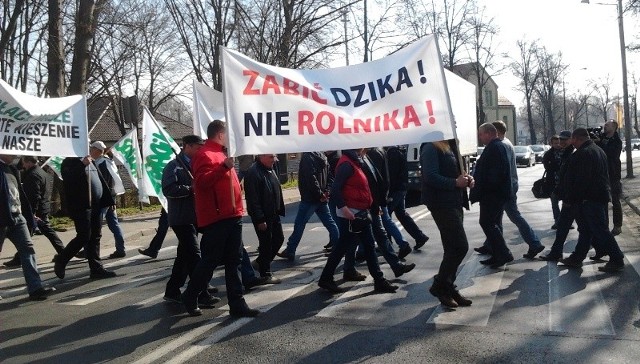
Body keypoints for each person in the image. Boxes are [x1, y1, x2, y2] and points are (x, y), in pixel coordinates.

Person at [180, 120, 258, 317]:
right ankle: (191, 294)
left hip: (232, 214)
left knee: (234, 261)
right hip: (217, 217)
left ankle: (237, 302)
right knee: (210, 260)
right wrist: (223, 167)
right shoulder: (204, 154)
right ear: (221, 134)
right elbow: (202, 183)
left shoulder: (221, 153)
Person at [317, 148, 398, 294]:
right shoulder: (347, 164)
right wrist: (344, 208)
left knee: (366, 246)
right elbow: (336, 189)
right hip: (351, 215)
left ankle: (378, 280)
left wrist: (373, 205)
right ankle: (326, 278)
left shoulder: (355, 162)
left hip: (359, 213)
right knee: (346, 247)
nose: (364, 148)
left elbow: (364, 188)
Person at [161, 135, 220, 308]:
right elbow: (168, 189)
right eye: (198, 147)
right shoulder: (174, 166)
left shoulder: (194, 164)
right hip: (181, 218)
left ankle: (172, 290)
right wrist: (190, 189)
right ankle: (201, 292)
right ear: (187, 146)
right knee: (195, 255)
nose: (201, 150)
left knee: (184, 257)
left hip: (195, 217)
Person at [474, 121, 544, 259]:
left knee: (513, 216)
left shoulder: (502, 145)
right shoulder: (505, 143)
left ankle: (534, 243)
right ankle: (490, 244)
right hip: (508, 185)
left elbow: (500, 170)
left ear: (496, 132)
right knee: (496, 218)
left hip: (506, 187)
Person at [558, 128, 625, 272]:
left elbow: (581, 180)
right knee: (586, 230)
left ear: (576, 138)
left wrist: (571, 198)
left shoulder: (583, 154)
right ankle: (577, 257)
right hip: (597, 196)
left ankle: (617, 258)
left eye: (573, 140)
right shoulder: (597, 150)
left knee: (600, 230)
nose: (572, 143)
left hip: (589, 198)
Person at [344, 149, 415, 279]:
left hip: (373, 205)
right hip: (365, 206)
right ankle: (347, 271)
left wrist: (380, 202)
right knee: (358, 240)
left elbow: (376, 181)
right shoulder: (354, 159)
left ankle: (393, 268)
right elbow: (365, 185)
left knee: (376, 237)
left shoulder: (367, 156)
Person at [420, 140, 474, 308]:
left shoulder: (451, 145)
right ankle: (440, 286)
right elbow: (430, 176)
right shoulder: (431, 146)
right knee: (460, 247)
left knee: (452, 249)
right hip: (441, 203)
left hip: (454, 201)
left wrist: (467, 178)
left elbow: (455, 172)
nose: (456, 124)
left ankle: (448, 288)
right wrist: (454, 183)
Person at [0, 154, 56, 300]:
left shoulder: (12, 169)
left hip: (17, 217)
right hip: (1, 218)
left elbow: (20, 194)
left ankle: (36, 288)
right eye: (10, 150)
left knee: (28, 249)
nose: (15, 153)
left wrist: (30, 215)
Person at [54, 154, 117, 280]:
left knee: (95, 236)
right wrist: (82, 164)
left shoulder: (90, 160)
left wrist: (109, 199)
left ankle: (96, 268)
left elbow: (100, 181)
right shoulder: (69, 161)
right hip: (81, 206)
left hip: (96, 205)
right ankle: (61, 260)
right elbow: (69, 179)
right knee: (84, 236)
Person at [3, 156, 65, 268]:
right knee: (42, 232)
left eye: (24, 162)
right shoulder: (41, 171)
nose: (23, 165)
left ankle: (19, 259)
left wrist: (33, 212)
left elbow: (33, 196)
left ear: (28, 162)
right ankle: (63, 251)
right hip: (43, 207)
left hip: (36, 210)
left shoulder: (33, 175)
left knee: (27, 236)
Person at [276, 151, 339, 261]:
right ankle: (339, 248)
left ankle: (290, 250)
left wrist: (319, 194)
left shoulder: (307, 157)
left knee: (299, 224)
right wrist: (326, 192)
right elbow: (330, 176)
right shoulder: (323, 156)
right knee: (330, 223)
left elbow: (310, 178)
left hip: (310, 198)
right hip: (321, 198)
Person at [469, 123, 513, 269]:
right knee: (492, 224)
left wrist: (482, 188)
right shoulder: (496, 146)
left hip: (492, 194)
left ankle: (504, 253)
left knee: (487, 223)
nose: (480, 137)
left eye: (481, 134)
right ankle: (497, 254)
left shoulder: (495, 148)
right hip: (495, 194)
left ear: (488, 133)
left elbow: (495, 174)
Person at [366, 147, 412, 259]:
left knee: (379, 222)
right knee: (386, 220)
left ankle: (397, 246)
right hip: (381, 192)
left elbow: (375, 177)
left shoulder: (374, 153)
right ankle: (402, 244)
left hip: (377, 194)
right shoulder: (379, 150)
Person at [245, 154, 286, 282]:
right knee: (266, 244)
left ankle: (260, 262)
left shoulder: (270, 168)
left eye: (274, 156)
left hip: (273, 213)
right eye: (270, 157)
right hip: (263, 216)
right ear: (261, 156)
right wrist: (260, 219)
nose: (274, 160)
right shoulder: (253, 172)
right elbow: (253, 199)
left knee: (278, 239)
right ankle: (265, 273)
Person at [540, 130, 577, 261]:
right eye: (560, 140)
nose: (561, 142)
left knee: (587, 226)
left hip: (571, 195)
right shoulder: (554, 153)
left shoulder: (572, 153)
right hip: (559, 189)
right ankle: (556, 252)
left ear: (571, 140)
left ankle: (612, 253)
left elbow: (571, 175)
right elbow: (549, 166)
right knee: (563, 226)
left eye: (564, 140)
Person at [386, 145, 430, 250]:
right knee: (401, 214)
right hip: (401, 187)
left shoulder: (392, 153)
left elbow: (391, 175)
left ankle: (387, 243)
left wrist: (388, 192)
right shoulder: (399, 151)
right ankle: (419, 236)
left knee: (386, 216)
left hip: (396, 189)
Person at [91, 141, 127, 258]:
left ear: (97, 150)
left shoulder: (102, 163)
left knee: (96, 226)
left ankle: (90, 250)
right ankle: (120, 249)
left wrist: (110, 199)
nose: (90, 151)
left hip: (103, 199)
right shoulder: (106, 162)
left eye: (92, 149)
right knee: (113, 224)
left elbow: (107, 183)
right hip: (109, 198)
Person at [594, 121, 623, 235]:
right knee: (603, 201)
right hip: (601, 175)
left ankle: (617, 225)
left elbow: (611, 154)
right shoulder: (600, 138)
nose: (605, 127)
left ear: (614, 127)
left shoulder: (617, 141)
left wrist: (600, 143)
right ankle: (604, 226)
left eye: (608, 125)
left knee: (615, 201)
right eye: (605, 125)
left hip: (613, 175)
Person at [542, 135, 563, 225]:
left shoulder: (564, 152)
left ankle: (566, 221)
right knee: (554, 203)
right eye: (555, 143)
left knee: (566, 203)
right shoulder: (548, 154)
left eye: (558, 142)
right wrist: (556, 165)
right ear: (551, 144)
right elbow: (547, 167)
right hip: (553, 182)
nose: (558, 145)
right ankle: (557, 221)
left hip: (563, 182)